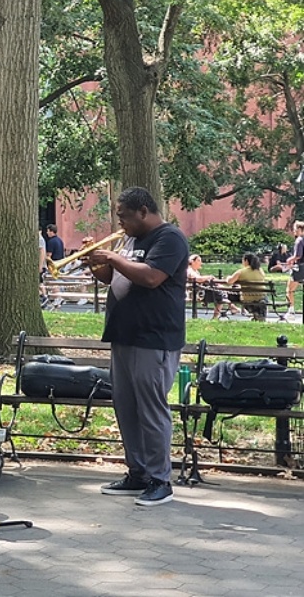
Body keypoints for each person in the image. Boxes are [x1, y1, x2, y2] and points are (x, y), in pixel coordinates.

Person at [87, 187, 188, 507]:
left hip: (154, 337)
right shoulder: (128, 240)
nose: (120, 223)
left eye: (124, 217)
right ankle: (138, 473)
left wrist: (114, 256)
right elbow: (110, 277)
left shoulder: (169, 239)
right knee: (127, 409)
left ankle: (161, 480)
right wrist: (96, 262)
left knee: (151, 410)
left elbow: (151, 277)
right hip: (123, 334)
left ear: (144, 211)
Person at [187, 254, 240, 319]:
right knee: (219, 294)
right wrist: (209, 277)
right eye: (198, 260)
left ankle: (227, 308)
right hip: (196, 294)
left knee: (219, 293)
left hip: (200, 292)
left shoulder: (194, 271)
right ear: (192, 262)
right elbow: (197, 279)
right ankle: (229, 307)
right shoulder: (189, 270)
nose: (201, 263)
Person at [227, 252, 268, 321]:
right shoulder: (260, 270)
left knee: (233, 293)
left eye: (242, 260)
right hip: (261, 296)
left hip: (247, 298)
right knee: (261, 297)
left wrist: (228, 277)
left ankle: (255, 313)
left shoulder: (241, 272)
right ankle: (258, 313)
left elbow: (229, 281)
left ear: (246, 261)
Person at [283, 221, 304, 318]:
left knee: (289, 289)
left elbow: (298, 255)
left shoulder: (299, 240)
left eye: (295, 229)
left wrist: (289, 259)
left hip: (299, 268)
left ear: (300, 230)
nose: (293, 231)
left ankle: (291, 311)